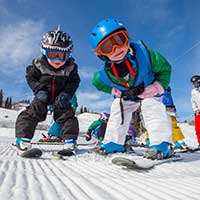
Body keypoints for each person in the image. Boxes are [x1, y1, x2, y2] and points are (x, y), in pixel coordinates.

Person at [90, 18, 173, 159]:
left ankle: (162, 144)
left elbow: (165, 69)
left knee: (151, 105)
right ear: (101, 54)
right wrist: (113, 91)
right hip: (128, 95)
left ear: (127, 38)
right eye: (108, 47)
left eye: (119, 40)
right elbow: (97, 83)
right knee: (118, 106)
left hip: (148, 90)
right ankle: (114, 142)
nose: (116, 49)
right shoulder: (105, 74)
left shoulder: (146, 55)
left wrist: (157, 86)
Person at [15, 26, 80, 152]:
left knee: (67, 116)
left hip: (60, 96)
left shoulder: (70, 68)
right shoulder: (38, 65)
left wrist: (67, 94)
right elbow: (30, 77)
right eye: (52, 54)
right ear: (44, 52)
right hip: (43, 94)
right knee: (31, 113)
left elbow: (74, 82)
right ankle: (23, 139)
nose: (57, 60)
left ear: (68, 54)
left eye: (61, 55)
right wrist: (38, 89)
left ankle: (70, 141)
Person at [191, 75, 200, 148]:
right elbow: (193, 102)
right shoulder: (193, 91)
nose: (194, 85)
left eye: (195, 83)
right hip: (198, 112)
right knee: (198, 128)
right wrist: (196, 109)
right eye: (193, 83)